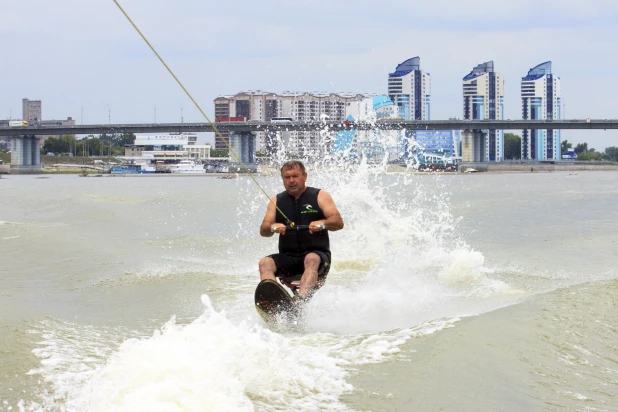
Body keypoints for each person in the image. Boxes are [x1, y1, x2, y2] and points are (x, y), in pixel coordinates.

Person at [259, 160, 344, 303]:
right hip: (289, 258)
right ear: (283, 179)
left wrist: (323, 223)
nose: (291, 181)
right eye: (287, 177)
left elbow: (338, 222)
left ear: (305, 176)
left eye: (295, 176)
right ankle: (274, 302)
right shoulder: (276, 200)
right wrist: (273, 227)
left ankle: (299, 302)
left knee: (311, 258)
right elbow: (264, 230)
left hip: (318, 258)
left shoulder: (320, 196)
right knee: (264, 263)